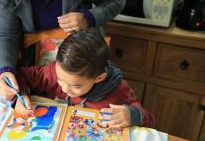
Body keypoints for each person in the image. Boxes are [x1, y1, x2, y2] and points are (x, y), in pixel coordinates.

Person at [12, 29, 155, 129]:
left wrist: (133, 115)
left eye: (76, 86)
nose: (64, 89)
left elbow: (149, 121)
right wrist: (22, 94)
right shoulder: (57, 70)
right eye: (60, 80)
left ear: (99, 78)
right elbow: (22, 74)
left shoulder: (119, 91)